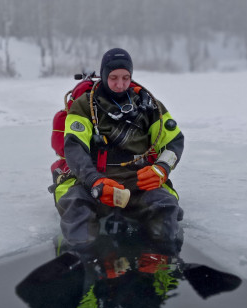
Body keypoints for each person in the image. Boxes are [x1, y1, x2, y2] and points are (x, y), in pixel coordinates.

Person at [53, 48, 184, 253]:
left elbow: (173, 141)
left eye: (126, 77)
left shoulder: (149, 106)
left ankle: (160, 264)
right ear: (104, 75)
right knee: (76, 209)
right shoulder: (84, 106)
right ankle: (79, 264)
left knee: (165, 207)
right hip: (92, 182)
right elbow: (74, 148)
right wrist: (94, 180)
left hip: (138, 183)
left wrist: (162, 168)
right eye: (113, 77)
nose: (120, 84)